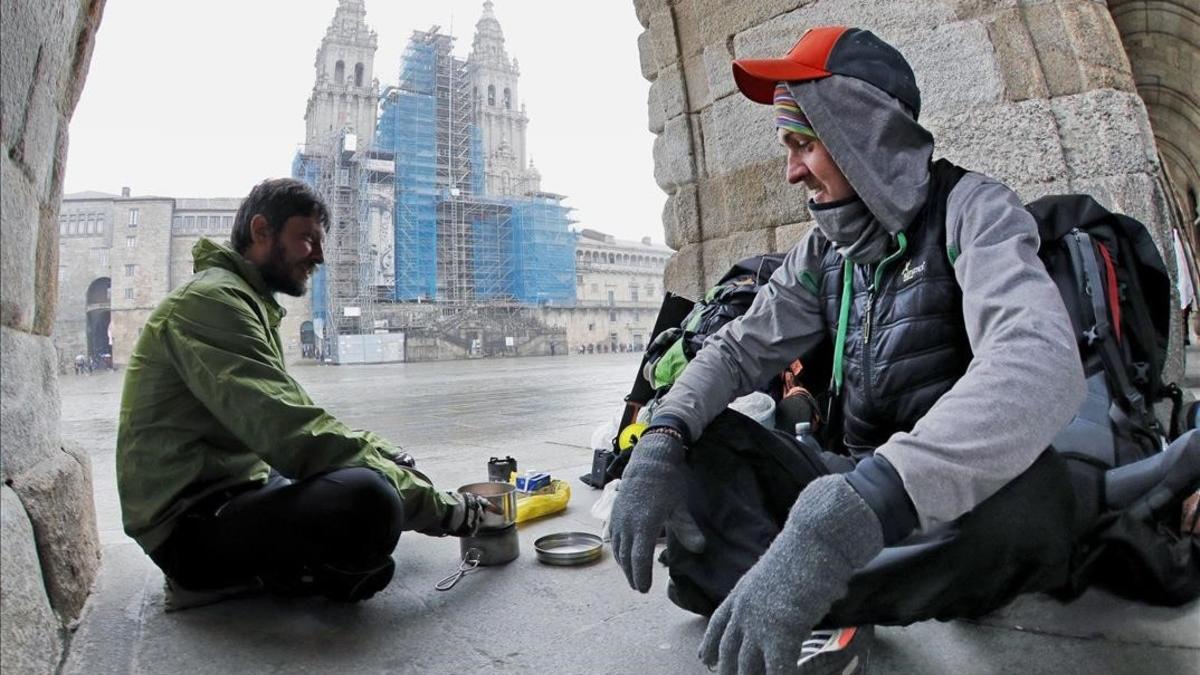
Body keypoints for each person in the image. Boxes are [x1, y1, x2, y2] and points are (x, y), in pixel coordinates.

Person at [609, 26, 1096, 673]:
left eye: (803, 144)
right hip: (847, 488)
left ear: (860, 131)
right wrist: (661, 434)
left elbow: (1040, 364)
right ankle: (823, 590)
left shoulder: (973, 211)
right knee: (702, 443)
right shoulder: (824, 251)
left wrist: (848, 515)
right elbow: (734, 351)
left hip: (939, 500)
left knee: (1033, 500)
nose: (791, 170)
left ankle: (794, 585)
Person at [116, 178, 491, 611]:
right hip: (189, 527)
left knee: (386, 466)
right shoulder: (211, 303)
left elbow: (299, 416)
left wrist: (384, 452)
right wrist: (443, 512)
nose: (320, 254)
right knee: (370, 498)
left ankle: (305, 567)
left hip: (234, 489)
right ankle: (239, 578)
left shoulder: (244, 300)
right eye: (307, 238)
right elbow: (292, 434)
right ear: (261, 232)